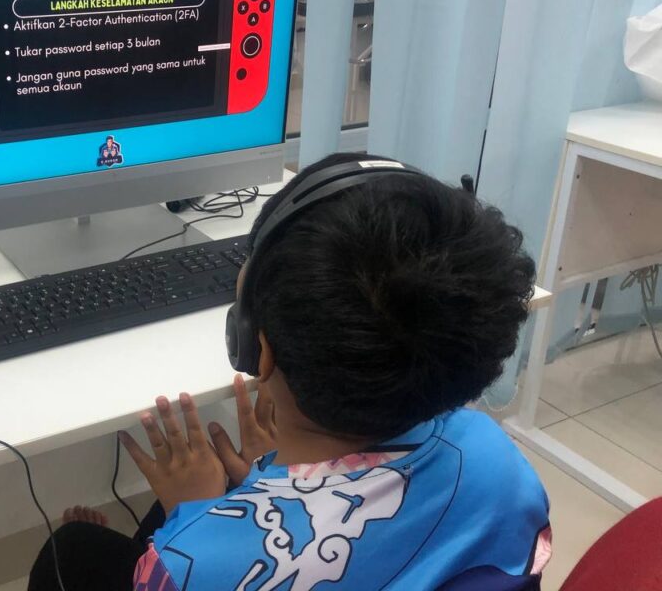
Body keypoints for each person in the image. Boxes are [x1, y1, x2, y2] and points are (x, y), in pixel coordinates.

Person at [29, 153, 550, 590]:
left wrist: (201, 512)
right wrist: (269, 484)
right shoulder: (498, 460)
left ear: (254, 347)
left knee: (70, 551)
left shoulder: (188, 565)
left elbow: (211, 566)